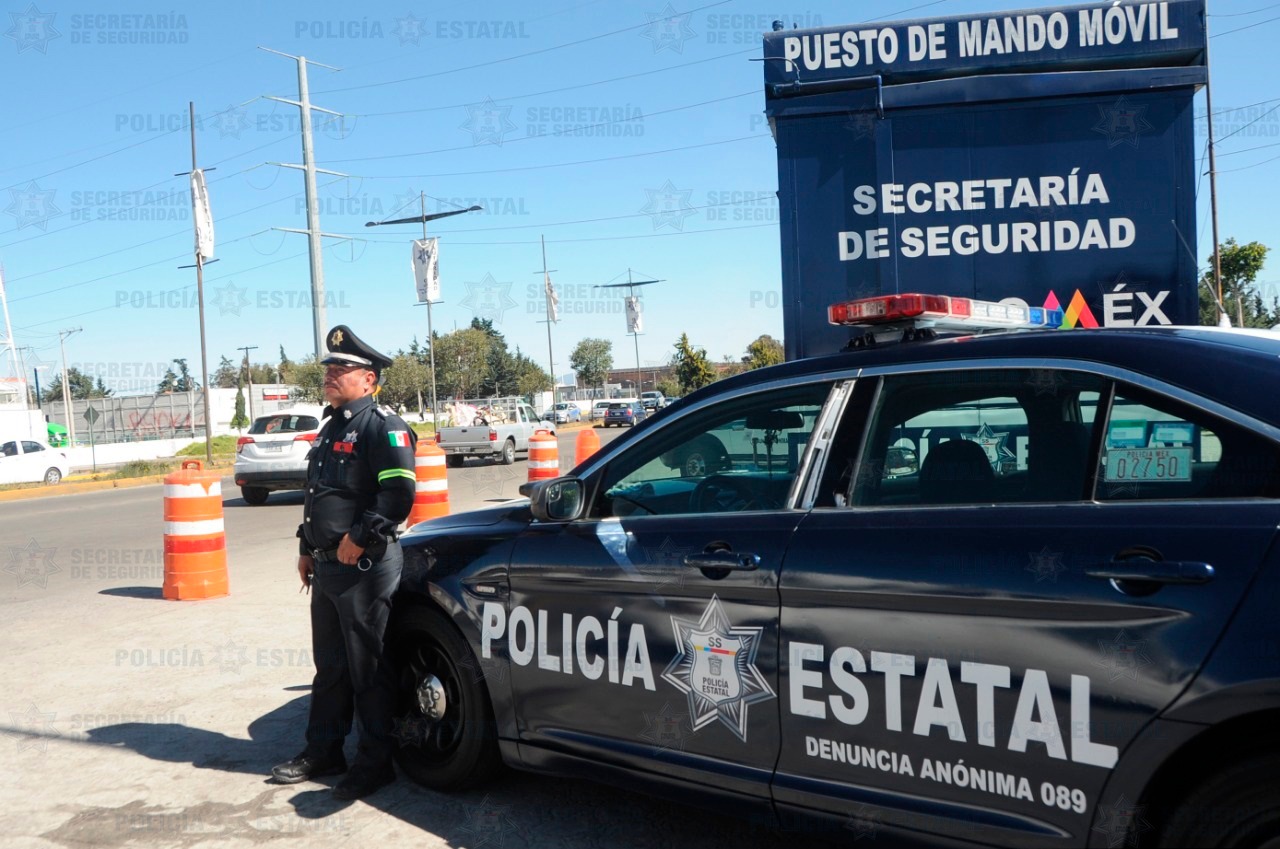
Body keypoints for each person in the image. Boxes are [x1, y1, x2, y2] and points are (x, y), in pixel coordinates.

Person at [271, 325, 417, 800]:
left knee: (367, 669)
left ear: (369, 380)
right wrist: (304, 546)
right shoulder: (332, 426)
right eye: (330, 368)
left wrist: (358, 537)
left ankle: (375, 763)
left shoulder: (383, 426)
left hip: (363, 567)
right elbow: (320, 495)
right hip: (326, 565)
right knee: (330, 666)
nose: (331, 375)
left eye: (342, 369)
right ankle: (324, 751)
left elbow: (398, 495)